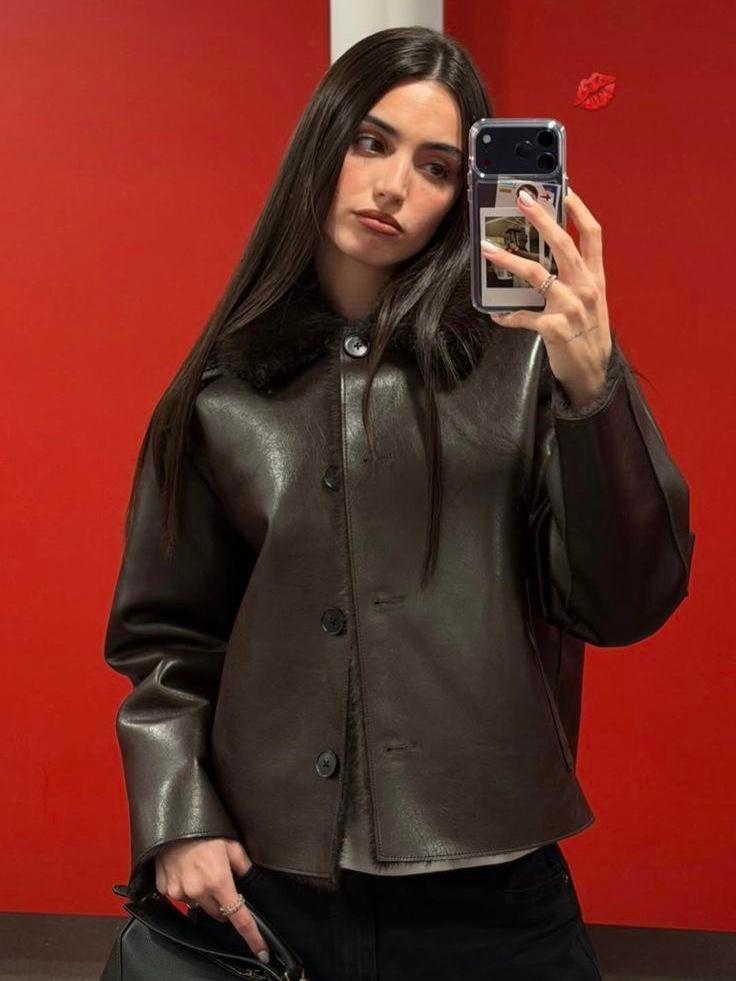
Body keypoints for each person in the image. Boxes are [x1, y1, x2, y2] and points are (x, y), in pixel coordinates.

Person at [103, 26, 694, 981]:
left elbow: (626, 599)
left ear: (465, 196)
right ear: (322, 143)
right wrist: (178, 818)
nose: (392, 189)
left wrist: (595, 388)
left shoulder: (527, 365)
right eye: (371, 143)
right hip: (268, 887)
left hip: (490, 887)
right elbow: (168, 637)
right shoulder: (225, 392)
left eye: (436, 168)